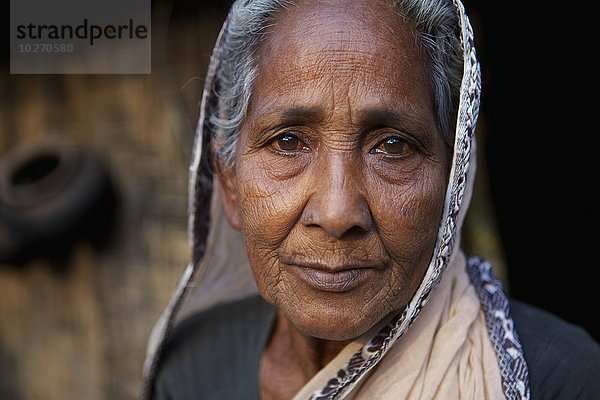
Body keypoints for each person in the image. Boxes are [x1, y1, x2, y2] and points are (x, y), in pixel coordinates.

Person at [140, 0, 600, 398]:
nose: (338, 213)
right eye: (287, 142)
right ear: (230, 184)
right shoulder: (192, 369)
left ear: (453, 181)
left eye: (392, 145)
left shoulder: (561, 379)